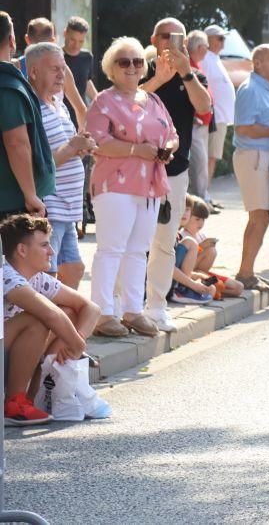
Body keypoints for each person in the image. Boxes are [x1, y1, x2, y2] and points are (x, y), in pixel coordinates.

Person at [86, 37, 179, 337]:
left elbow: (172, 133)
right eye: (124, 61)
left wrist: (168, 148)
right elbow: (97, 141)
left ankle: (133, 311)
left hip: (149, 184)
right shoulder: (104, 101)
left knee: (139, 251)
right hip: (115, 184)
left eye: (137, 61)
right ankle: (102, 314)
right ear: (111, 68)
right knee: (111, 249)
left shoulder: (153, 100)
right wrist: (137, 151)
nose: (132, 67)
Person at [139, 18, 212, 333]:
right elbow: (127, 104)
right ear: (154, 39)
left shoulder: (193, 75)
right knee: (133, 240)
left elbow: (204, 106)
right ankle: (125, 306)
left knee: (165, 241)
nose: (171, 42)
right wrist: (158, 79)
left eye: (177, 36)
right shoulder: (139, 67)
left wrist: (185, 72)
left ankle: (157, 307)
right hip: (138, 169)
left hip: (175, 171)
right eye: (166, 36)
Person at [2, 214, 99, 425]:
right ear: (22, 250)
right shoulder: (5, 273)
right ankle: (13, 404)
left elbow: (91, 308)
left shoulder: (37, 277)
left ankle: (36, 398)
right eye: (45, 245)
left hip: (7, 353)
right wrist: (78, 345)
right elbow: (49, 314)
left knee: (70, 313)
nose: (52, 252)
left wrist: (75, 340)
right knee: (38, 320)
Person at [25, 42, 95, 288]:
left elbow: (65, 150)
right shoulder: (32, 109)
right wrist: (72, 147)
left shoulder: (58, 103)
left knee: (74, 269)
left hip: (68, 208)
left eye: (63, 69)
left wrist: (80, 147)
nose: (61, 74)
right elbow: (37, 165)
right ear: (34, 72)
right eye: (54, 69)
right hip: (51, 208)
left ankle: (61, 313)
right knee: (48, 276)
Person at [232, 44, 269, 291]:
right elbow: (243, 128)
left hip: (264, 157)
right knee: (259, 216)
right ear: (257, 63)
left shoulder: (266, 88)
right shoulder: (250, 89)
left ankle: (248, 272)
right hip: (253, 157)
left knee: (262, 216)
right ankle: (245, 273)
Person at [0, 12, 56, 220]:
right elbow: (16, 143)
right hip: (10, 203)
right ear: (11, 40)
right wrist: (31, 195)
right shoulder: (8, 86)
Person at [63, 16, 97, 235]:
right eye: (72, 40)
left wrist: (100, 101)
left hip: (81, 118)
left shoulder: (86, 57)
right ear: (65, 34)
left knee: (81, 168)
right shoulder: (57, 56)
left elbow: (87, 83)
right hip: (61, 116)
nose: (76, 45)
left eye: (80, 41)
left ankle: (79, 218)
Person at [20, 18, 87, 129]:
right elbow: (80, 108)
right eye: (54, 69)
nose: (60, 74)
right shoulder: (64, 70)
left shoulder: (15, 67)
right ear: (52, 40)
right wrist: (83, 134)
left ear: (27, 39)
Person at [201, 25, 236, 207]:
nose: (223, 42)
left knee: (211, 157)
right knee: (209, 157)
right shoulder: (206, 59)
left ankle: (206, 194)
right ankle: (203, 196)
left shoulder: (214, 58)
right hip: (213, 117)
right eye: (220, 38)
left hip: (219, 117)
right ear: (209, 40)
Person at [186, 31, 215, 207]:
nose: (208, 50)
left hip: (202, 123)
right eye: (206, 47)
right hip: (195, 123)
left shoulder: (195, 64)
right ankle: (198, 203)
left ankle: (201, 200)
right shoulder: (187, 65)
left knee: (201, 163)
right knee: (198, 163)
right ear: (199, 47)